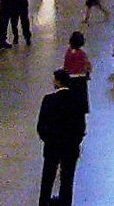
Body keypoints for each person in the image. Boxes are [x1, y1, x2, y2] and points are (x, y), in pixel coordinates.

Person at [37, 68, 85, 206]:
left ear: (57, 82)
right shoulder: (77, 100)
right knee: (67, 179)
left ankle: (44, 202)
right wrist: (75, 141)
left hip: (52, 146)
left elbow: (41, 126)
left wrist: (49, 139)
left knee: (48, 177)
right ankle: (65, 202)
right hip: (70, 146)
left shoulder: (49, 100)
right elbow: (81, 127)